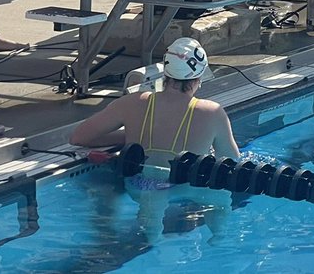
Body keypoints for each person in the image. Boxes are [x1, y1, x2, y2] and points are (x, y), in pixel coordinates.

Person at [70, 37, 240, 242]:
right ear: (198, 78)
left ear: (165, 73)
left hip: (141, 186)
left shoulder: (132, 102)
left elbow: (79, 137)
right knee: (221, 197)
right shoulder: (212, 112)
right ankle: (219, 237)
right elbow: (231, 162)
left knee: (151, 226)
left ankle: (151, 236)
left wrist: (132, 138)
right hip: (188, 185)